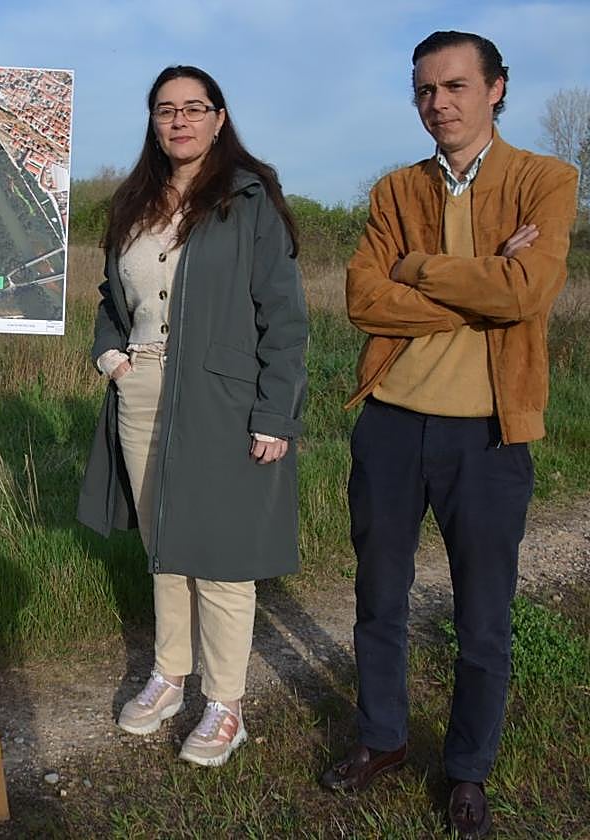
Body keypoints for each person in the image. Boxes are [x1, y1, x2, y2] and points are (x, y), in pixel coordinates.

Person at [320, 31, 578, 839]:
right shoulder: (396, 190)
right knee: (378, 600)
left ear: (496, 88)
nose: (440, 103)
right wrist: (482, 283)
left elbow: (529, 292)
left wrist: (418, 270)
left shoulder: (547, 178)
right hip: (391, 423)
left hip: (490, 436)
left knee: (485, 617)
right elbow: (364, 299)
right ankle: (384, 739)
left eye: (457, 86)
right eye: (426, 90)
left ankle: (467, 771)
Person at [77, 65, 308, 766]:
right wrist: (111, 357)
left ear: (218, 116)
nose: (179, 120)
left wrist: (275, 412)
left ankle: (226, 703)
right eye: (166, 110)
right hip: (141, 394)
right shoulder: (132, 203)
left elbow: (285, 316)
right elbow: (110, 303)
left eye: (193, 108)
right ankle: (170, 676)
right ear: (153, 121)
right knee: (165, 548)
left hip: (224, 398)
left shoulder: (248, 199)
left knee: (223, 559)